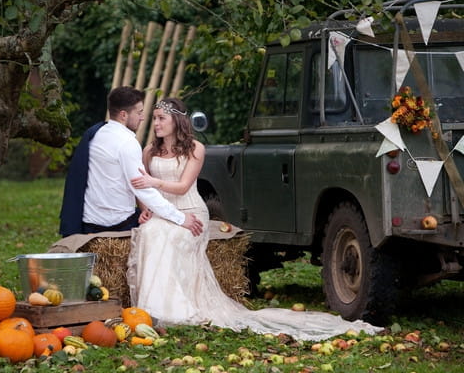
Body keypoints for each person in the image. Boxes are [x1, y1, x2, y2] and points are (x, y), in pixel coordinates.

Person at [126, 97, 383, 341]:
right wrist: (145, 207)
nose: (156, 123)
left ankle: (177, 309)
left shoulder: (195, 149)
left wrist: (154, 182)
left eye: (161, 118)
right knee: (151, 233)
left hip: (190, 211)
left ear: (176, 122)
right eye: (155, 118)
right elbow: (142, 187)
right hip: (164, 211)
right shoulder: (149, 150)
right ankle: (153, 308)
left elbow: (182, 187)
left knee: (173, 236)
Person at [58, 86, 203, 238]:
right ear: (123, 115)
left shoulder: (96, 134)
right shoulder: (127, 143)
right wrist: (180, 218)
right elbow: (142, 189)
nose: (143, 118)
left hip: (88, 222)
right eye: (139, 113)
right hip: (117, 225)